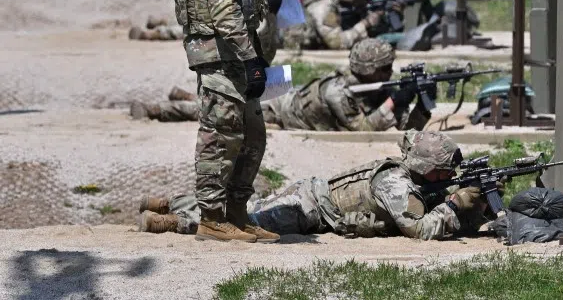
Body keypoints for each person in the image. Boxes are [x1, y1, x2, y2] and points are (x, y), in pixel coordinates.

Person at [172, 0, 278, 243]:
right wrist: (251, 58)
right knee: (220, 135)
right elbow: (223, 11)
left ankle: (236, 211)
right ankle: (212, 218)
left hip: (233, 53)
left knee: (252, 135)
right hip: (220, 55)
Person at [138, 129, 490, 240]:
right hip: (311, 205)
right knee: (251, 222)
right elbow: (420, 230)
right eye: (444, 171)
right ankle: (173, 220)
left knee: (252, 209)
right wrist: (456, 203)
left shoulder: (416, 179)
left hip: (316, 200)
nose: (448, 177)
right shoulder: (396, 184)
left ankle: (173, 202)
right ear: (427, 168)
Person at [129, 39, 429, 130]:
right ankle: (160, 109)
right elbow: (363, 130)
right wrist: (394, 101)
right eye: (386, 68)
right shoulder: (339, 93)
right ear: (371, 71)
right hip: (279, 109)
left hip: (287, 92)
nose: (392, 71)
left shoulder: (372, 86)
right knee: (220, 110)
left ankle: (184, 96)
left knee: (226, 100)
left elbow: (408, 128)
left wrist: (425, 102)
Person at [283, 0, 383, 50]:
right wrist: (366, 23)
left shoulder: (339, 4)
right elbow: (337, 43)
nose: (368, 1)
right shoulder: (325, 9)